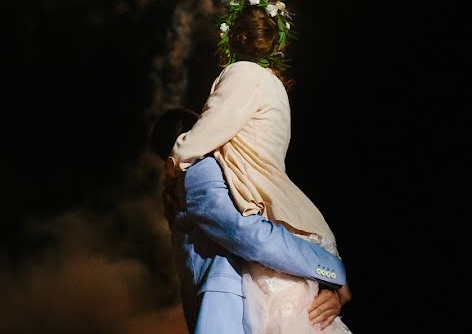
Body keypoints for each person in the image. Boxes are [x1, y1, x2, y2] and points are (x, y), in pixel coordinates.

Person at [167, 0, 354, 333]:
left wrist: (176, 158)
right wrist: (331, 271)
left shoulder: (241, 81)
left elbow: (250, 236)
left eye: (210, 109)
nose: (210, 112)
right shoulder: (207, 173)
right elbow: (248, 235)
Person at [150, 107, 350, 333]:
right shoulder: (200, 170)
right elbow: (245, 234)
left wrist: (320, 290)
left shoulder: (190, 184)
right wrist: (331, 270)